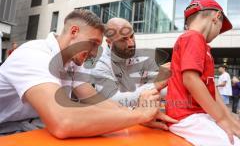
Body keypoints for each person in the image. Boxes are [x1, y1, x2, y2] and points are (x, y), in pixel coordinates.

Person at [0, 9, 164, 138]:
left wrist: (135, 115)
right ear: (74, 32)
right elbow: (63, 121)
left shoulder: (73, 61)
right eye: (92, 44)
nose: (94, 53)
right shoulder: (34, 55)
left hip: (30, 126)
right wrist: (139, 116)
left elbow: (97, 101)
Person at [166, 0, 240, 145]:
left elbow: (213, 93)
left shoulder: (199, 43)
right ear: (217, 17)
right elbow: (190, 79)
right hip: (186, 117)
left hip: (196, 115)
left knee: (235, 133)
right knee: (233, 143)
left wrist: (230, 119)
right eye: (220, 28)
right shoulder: (193, 37)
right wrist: (221, 118)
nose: (219, 32)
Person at [86, 18, 176, 129]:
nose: (131, 43)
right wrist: (155, 85)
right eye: (123, 39)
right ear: (109, 42)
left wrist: (176, 84)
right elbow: (113, 99)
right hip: (119, 125)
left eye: (132, 36)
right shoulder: (100, 65)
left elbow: (160, 89)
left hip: (144, 118)